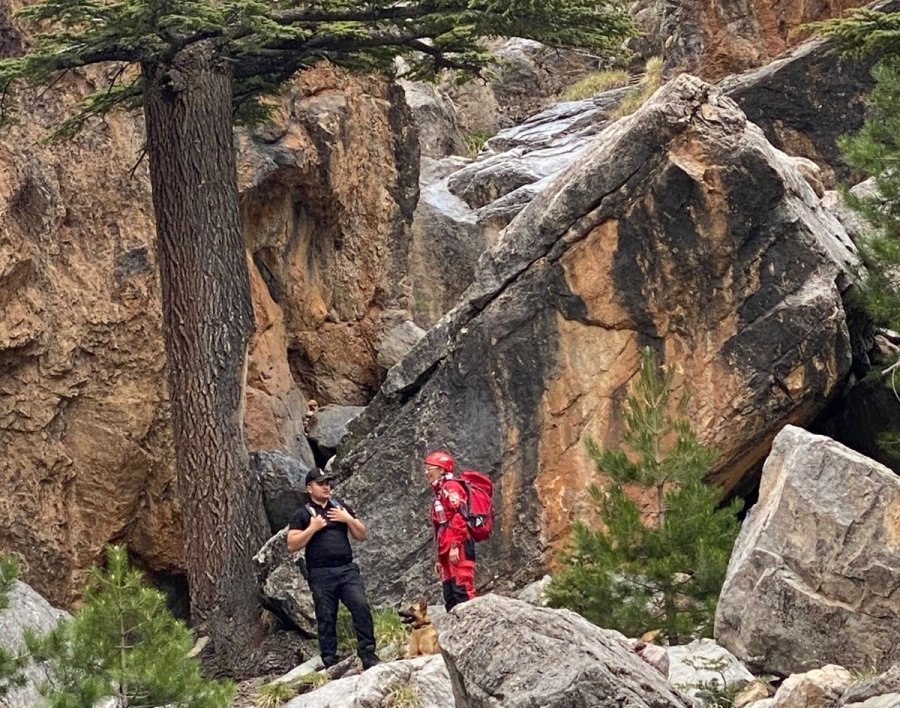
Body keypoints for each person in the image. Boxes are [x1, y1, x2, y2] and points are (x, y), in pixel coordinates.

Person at [287, 467, 380, 670]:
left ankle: (368, 654)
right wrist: (312, 528)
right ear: (309, 488)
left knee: (361, 606)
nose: (326, 487)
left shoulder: (340, 507)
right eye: (321, 484)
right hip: (321, 573)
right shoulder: (303, 514)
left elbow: (362, 535)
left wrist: (347, 519)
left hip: (346, 569)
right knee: (326, 616)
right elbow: (292, 544)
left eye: (328, 483)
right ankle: (329, 660)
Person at [423, 451, 476, 611]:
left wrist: (454, 545)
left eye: (429, 469)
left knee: (462, 588)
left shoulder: (451, 487)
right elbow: (438, 526)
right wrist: (439, 558)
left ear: (441, 469)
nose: (426, 473)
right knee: (450, 592)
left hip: (458, 545)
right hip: (446, 547)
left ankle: (471, 627)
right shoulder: (439, 492)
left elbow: (461, 515)